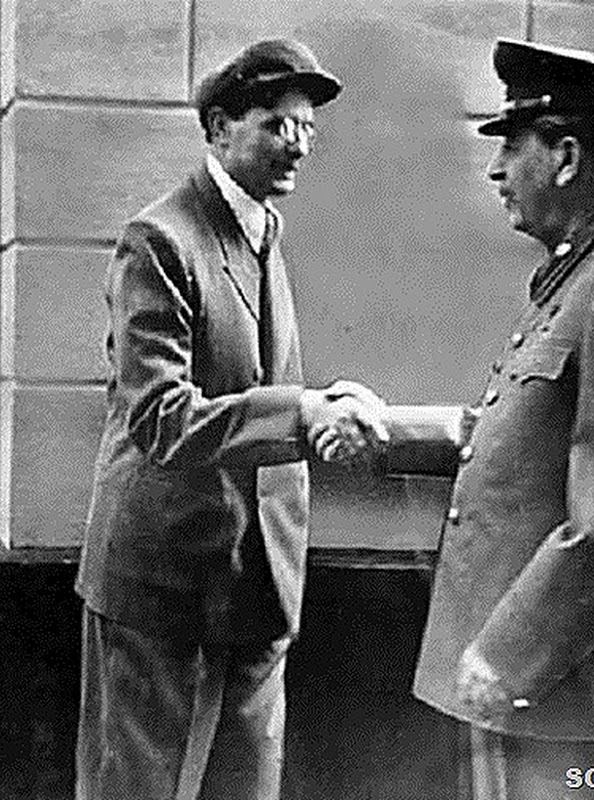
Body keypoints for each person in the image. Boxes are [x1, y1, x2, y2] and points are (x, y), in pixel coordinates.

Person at [352, 38, 594, 799]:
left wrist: (507, 656)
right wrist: (384, 431)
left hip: (589, 709)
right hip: (555, 699)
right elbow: (519, 436)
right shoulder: (580, 276)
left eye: (511, 146)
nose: (496, 170)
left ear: (566, 157)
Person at [74, 38, 386, 800]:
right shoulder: (160, 240)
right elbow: (161, 418)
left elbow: (252, 382)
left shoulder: (263, 231)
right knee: (139, 789)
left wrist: (326, 406)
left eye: (306, 127)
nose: (299, 144)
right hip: (163, 586)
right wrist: (303, 411)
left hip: (259, 584)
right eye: (278, 124)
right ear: (218, 128)